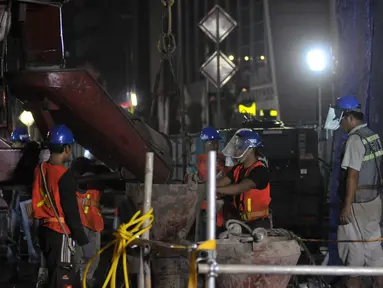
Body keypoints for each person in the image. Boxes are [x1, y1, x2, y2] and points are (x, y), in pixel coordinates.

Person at [325, 95, 383, 288]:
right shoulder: (372, 136)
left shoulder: (354, 140)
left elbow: (352, 176)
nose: (340, 123)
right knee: (374, 253)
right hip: (373, 202)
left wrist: (346, 206)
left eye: (341, 118)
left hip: (357, 205)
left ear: (349, 117)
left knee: (352, 257)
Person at [32, 125, 93, 288]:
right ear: (67, 148)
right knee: (62, 278)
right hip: (60, 233)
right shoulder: (64, 176)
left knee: (51, 275)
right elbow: (71, 214)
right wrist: (84, 242)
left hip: (44, 231)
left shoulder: (40, 169)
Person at [216, 129, 271, 230]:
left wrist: (213, 189)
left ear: (251, 149)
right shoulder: (238, 168)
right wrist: (204, 185)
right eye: (236, 148)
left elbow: (239, 188)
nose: (237, 151)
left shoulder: (260, 171)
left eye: (240, 148)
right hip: (241, 222)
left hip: (258, 224)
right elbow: (222, 182)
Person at [7, 127, 40, 265]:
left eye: (15, 144)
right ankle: (14, 262)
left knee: (30, 232)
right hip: (19, 198)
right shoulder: (24, 158)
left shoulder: (30, 157)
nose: (12, 147)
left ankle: (35, 264)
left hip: (27, 200)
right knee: (13, 232)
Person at [71, 157, 104, 287]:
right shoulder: (77, 183)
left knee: (93, 255)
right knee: (81, 254)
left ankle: (85, 278)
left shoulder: (96, 181)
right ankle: (81, 279)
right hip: (83, 223)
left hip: (94, 223)